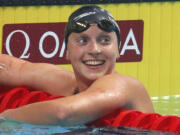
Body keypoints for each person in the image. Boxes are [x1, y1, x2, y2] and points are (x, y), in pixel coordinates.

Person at [0, 5, 154, 126]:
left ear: (118, 50)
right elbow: (13, 68)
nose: (95, 50)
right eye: (83, 41)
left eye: (105, 40)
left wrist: (5, 118)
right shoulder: (65, 83)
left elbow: (63, 113)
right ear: (67, 52)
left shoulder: (122, 85)